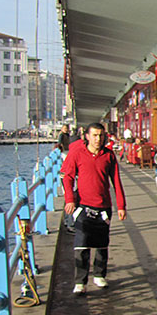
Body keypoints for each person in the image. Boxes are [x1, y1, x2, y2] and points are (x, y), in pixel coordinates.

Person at [61, 122, 127, 295]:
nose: (98, 139)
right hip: (82, 206)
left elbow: (116, 182)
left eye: (101, 135)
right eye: (95, 135)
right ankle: (80, 282)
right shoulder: (77, 153)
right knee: (81, 245)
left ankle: (99, 275)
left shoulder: (109, 155)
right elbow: (67, 177)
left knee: (101, 244)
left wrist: (121, 205)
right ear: (87, 136)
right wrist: (69, 199)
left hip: (103, 207)